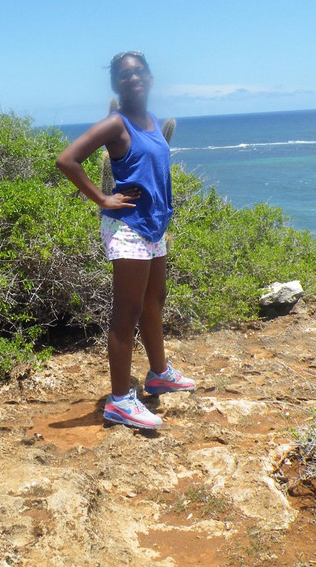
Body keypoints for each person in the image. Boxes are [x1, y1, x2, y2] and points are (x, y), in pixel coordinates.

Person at [56, 51, 195, 430]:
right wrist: (102, 198)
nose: (132, 78)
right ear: (116, 85)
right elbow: (67, 159)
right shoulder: (116, 123)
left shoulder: (149, 121)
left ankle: (159, 374)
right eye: (123, 75)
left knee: (154, 302)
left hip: (153, 226)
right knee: (126, 314)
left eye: (138, 72)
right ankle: (119, 401)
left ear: (149, 77)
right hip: (128, 228)